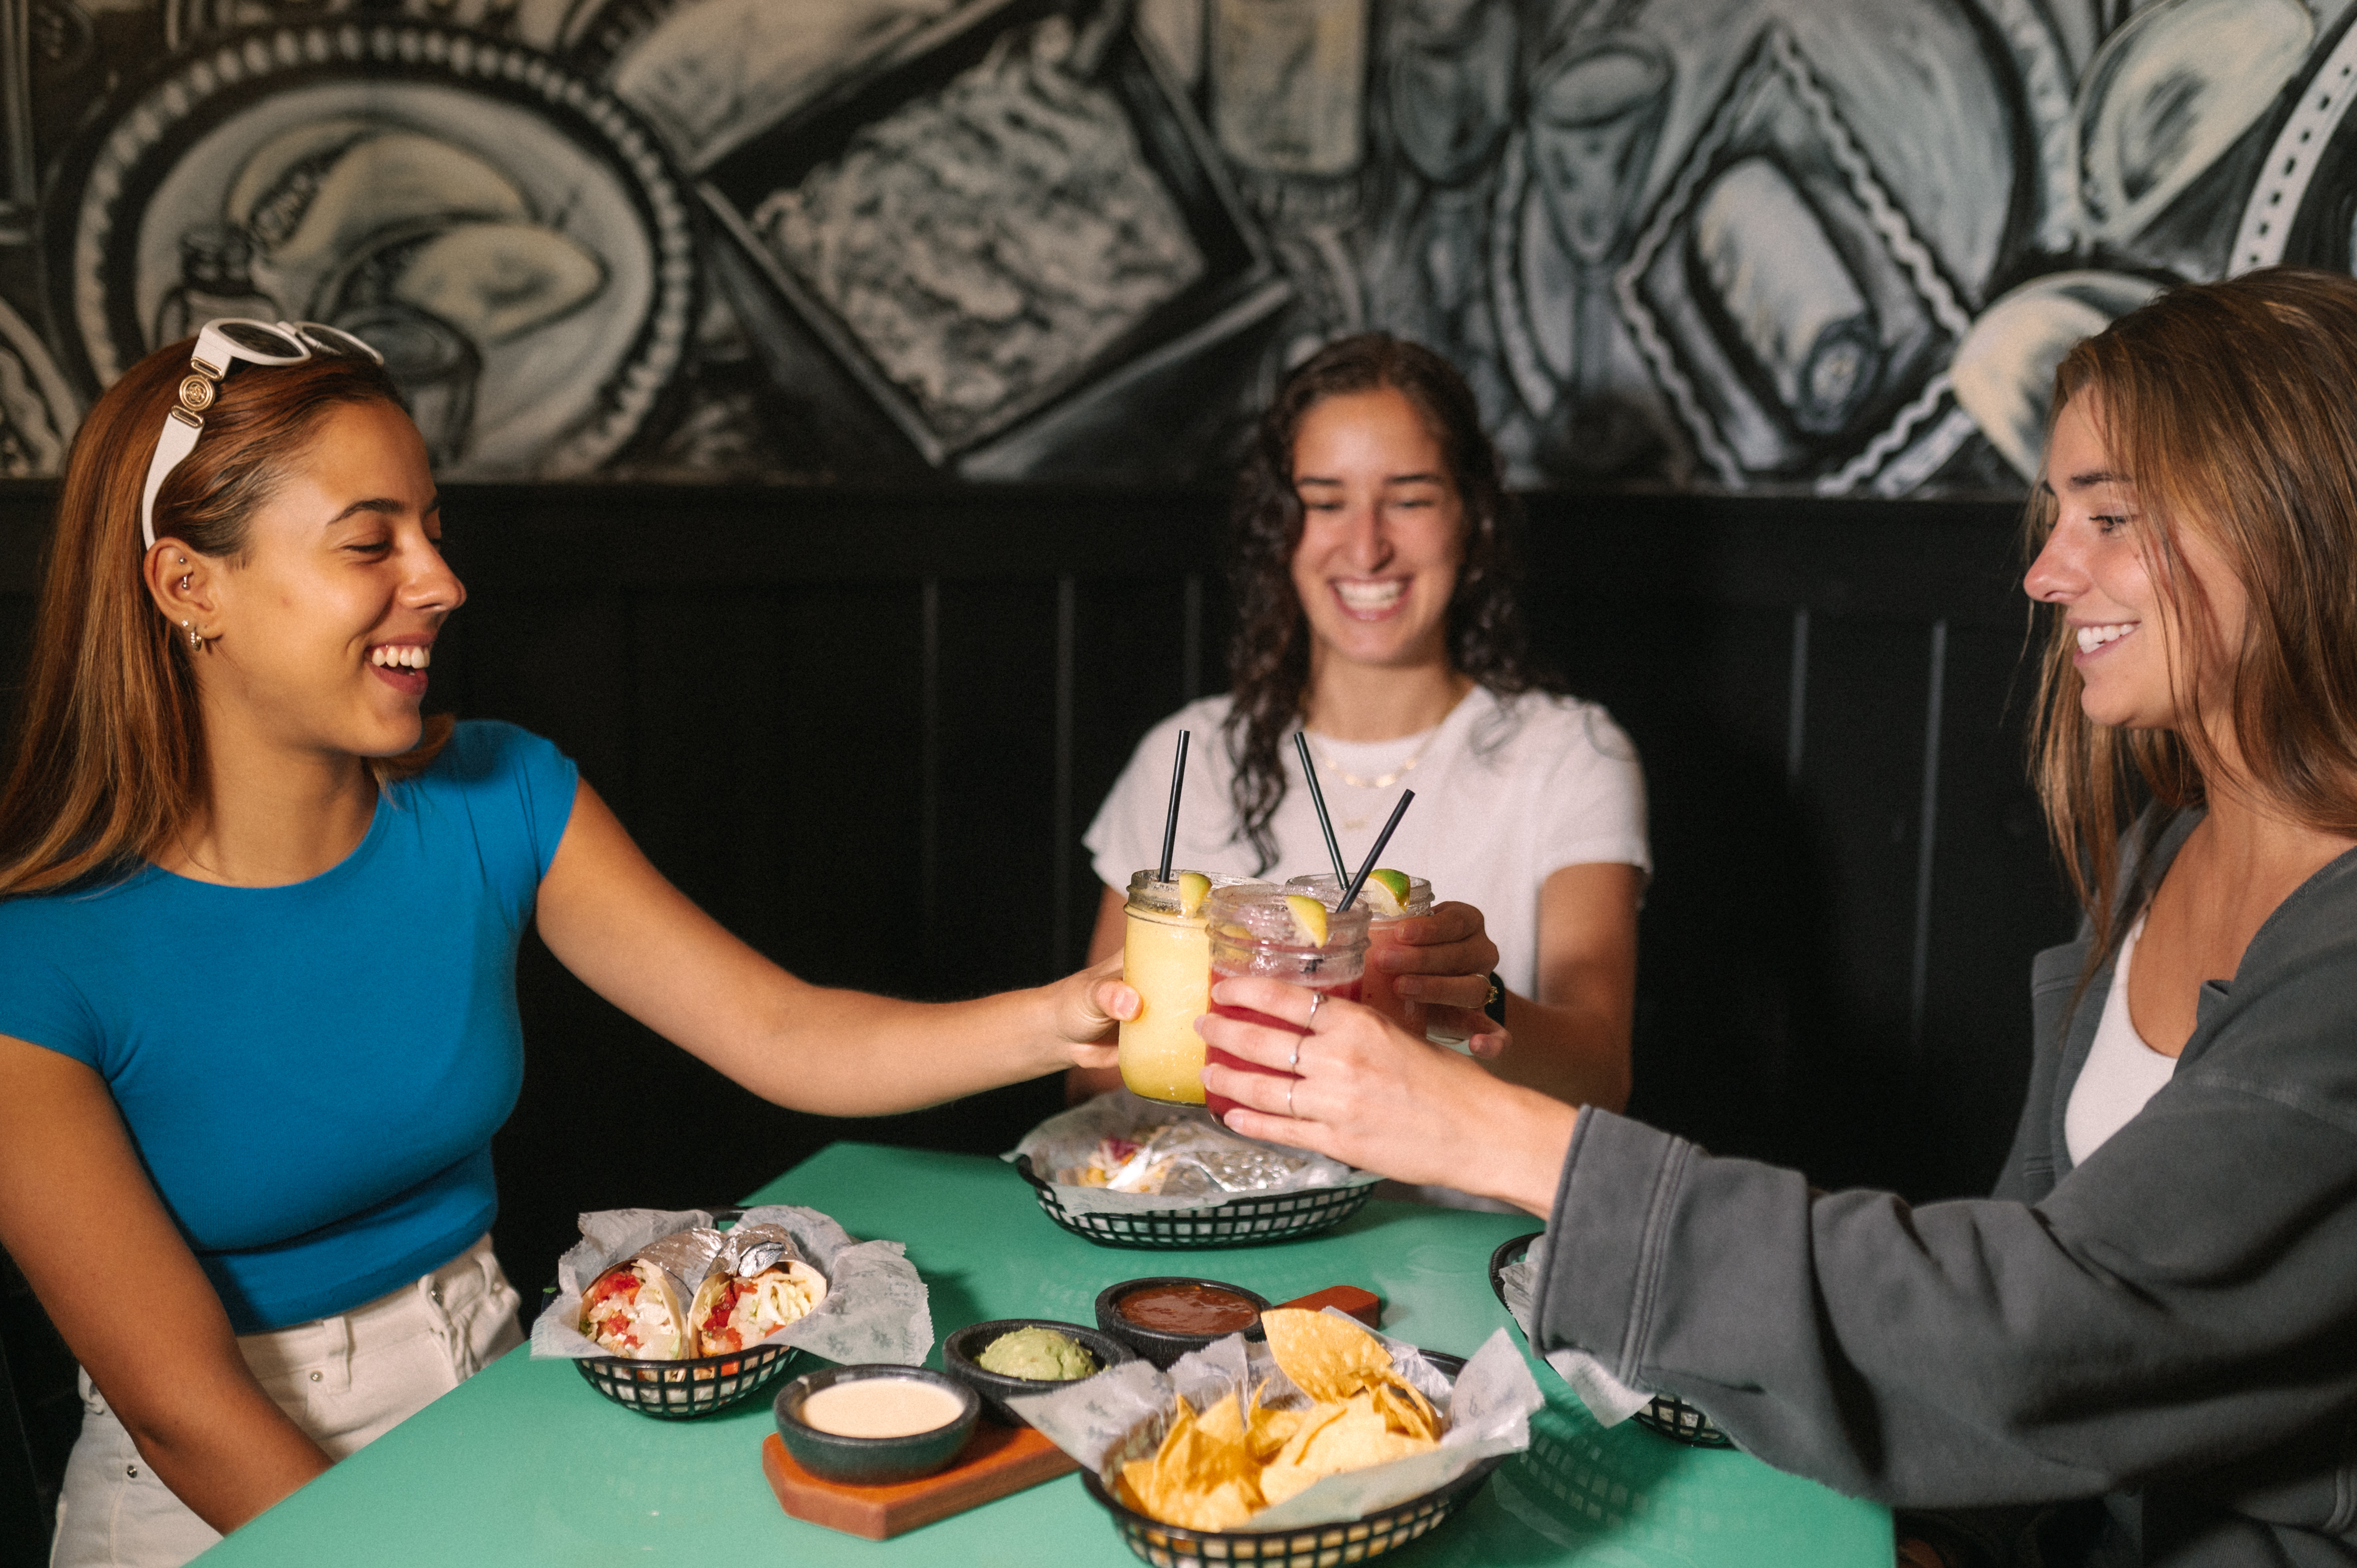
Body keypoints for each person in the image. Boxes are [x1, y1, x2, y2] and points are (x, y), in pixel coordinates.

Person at [1199, 267, 2357, 1567]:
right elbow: (2026, 1340)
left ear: (2291, 522)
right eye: (2056, 514)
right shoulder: (2164, 850)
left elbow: (2054, 1325)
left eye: (2111, 515)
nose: (2045, 571)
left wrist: (1491, 1132)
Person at [0, 323, 1132, 1568]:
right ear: (187, 587)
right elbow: (182, 1408)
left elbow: (785, 1033)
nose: (439, 581)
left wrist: (1072, 1012)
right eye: (371, 541)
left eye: (433, 528)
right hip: (218, 1511)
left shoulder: (502, 795)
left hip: (497, 1416)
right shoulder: (38, 957)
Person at [1077, 333, 1647, 1126]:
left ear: (1470, 518)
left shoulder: (1570, 756)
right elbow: (1094, 1079)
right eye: (1325, 501)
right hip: (1224, 1234)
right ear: (1277, 527)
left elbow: (1601, 1075)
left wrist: (1475, 1002)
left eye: (1410, 498)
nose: (1368, 546)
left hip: (1472, 1241)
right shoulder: (1189, 755)